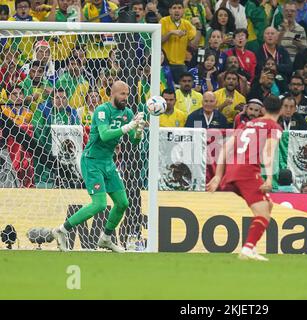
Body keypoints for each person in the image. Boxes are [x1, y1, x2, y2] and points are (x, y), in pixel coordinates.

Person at [51, 81, 146, 253]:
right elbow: (103, 135)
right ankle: (61, 230)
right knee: (100, 204)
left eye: (127, 94)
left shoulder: (127, 113)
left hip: (108, 162)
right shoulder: (102, 111)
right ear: (113, 94)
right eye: (122, 94)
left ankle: (106, 238)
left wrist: (138, 130)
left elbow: (134, 140)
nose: (125, 97)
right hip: (92, 161)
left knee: (123, 203)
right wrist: (128, 127)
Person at [206, 95, 283, 261]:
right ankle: (248, 249)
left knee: (267, 205)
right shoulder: (273, 127)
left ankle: (251, 247)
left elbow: (226, 147)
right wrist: (269, 178)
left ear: (263, 109)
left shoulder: (246, 124)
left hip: (233, 171)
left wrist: (218, 175)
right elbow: (268, 151)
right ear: (281, 110)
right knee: (263, 213)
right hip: (248, 172)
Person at [161, 0, 201, 83]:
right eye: (174, 8)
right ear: (169, 11)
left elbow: (194, 45)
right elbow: (159, 40)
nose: (177, 10)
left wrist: (199, 29)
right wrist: (171, 33)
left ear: (183, 10)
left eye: (179, 8)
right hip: (165, 64)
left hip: (181, 64)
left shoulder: (187, 24)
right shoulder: (163, 21)